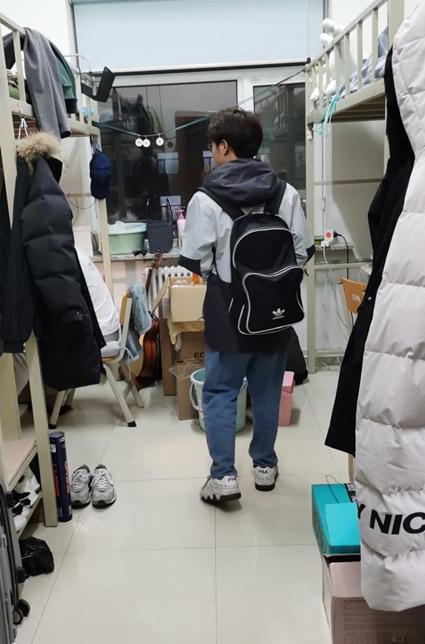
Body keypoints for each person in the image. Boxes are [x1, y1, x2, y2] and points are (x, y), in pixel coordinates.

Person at [179, 108, 314, 504]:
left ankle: (223, 477)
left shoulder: (205, 198)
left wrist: (226, 272)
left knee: (221, 392)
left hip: (228, 311)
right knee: (268, 390)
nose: (212, 153)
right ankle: (265, 466)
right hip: (275, 310)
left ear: (224, 146)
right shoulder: (285, 192)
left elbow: (196, 259)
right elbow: (302, 251)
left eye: (213, 146)